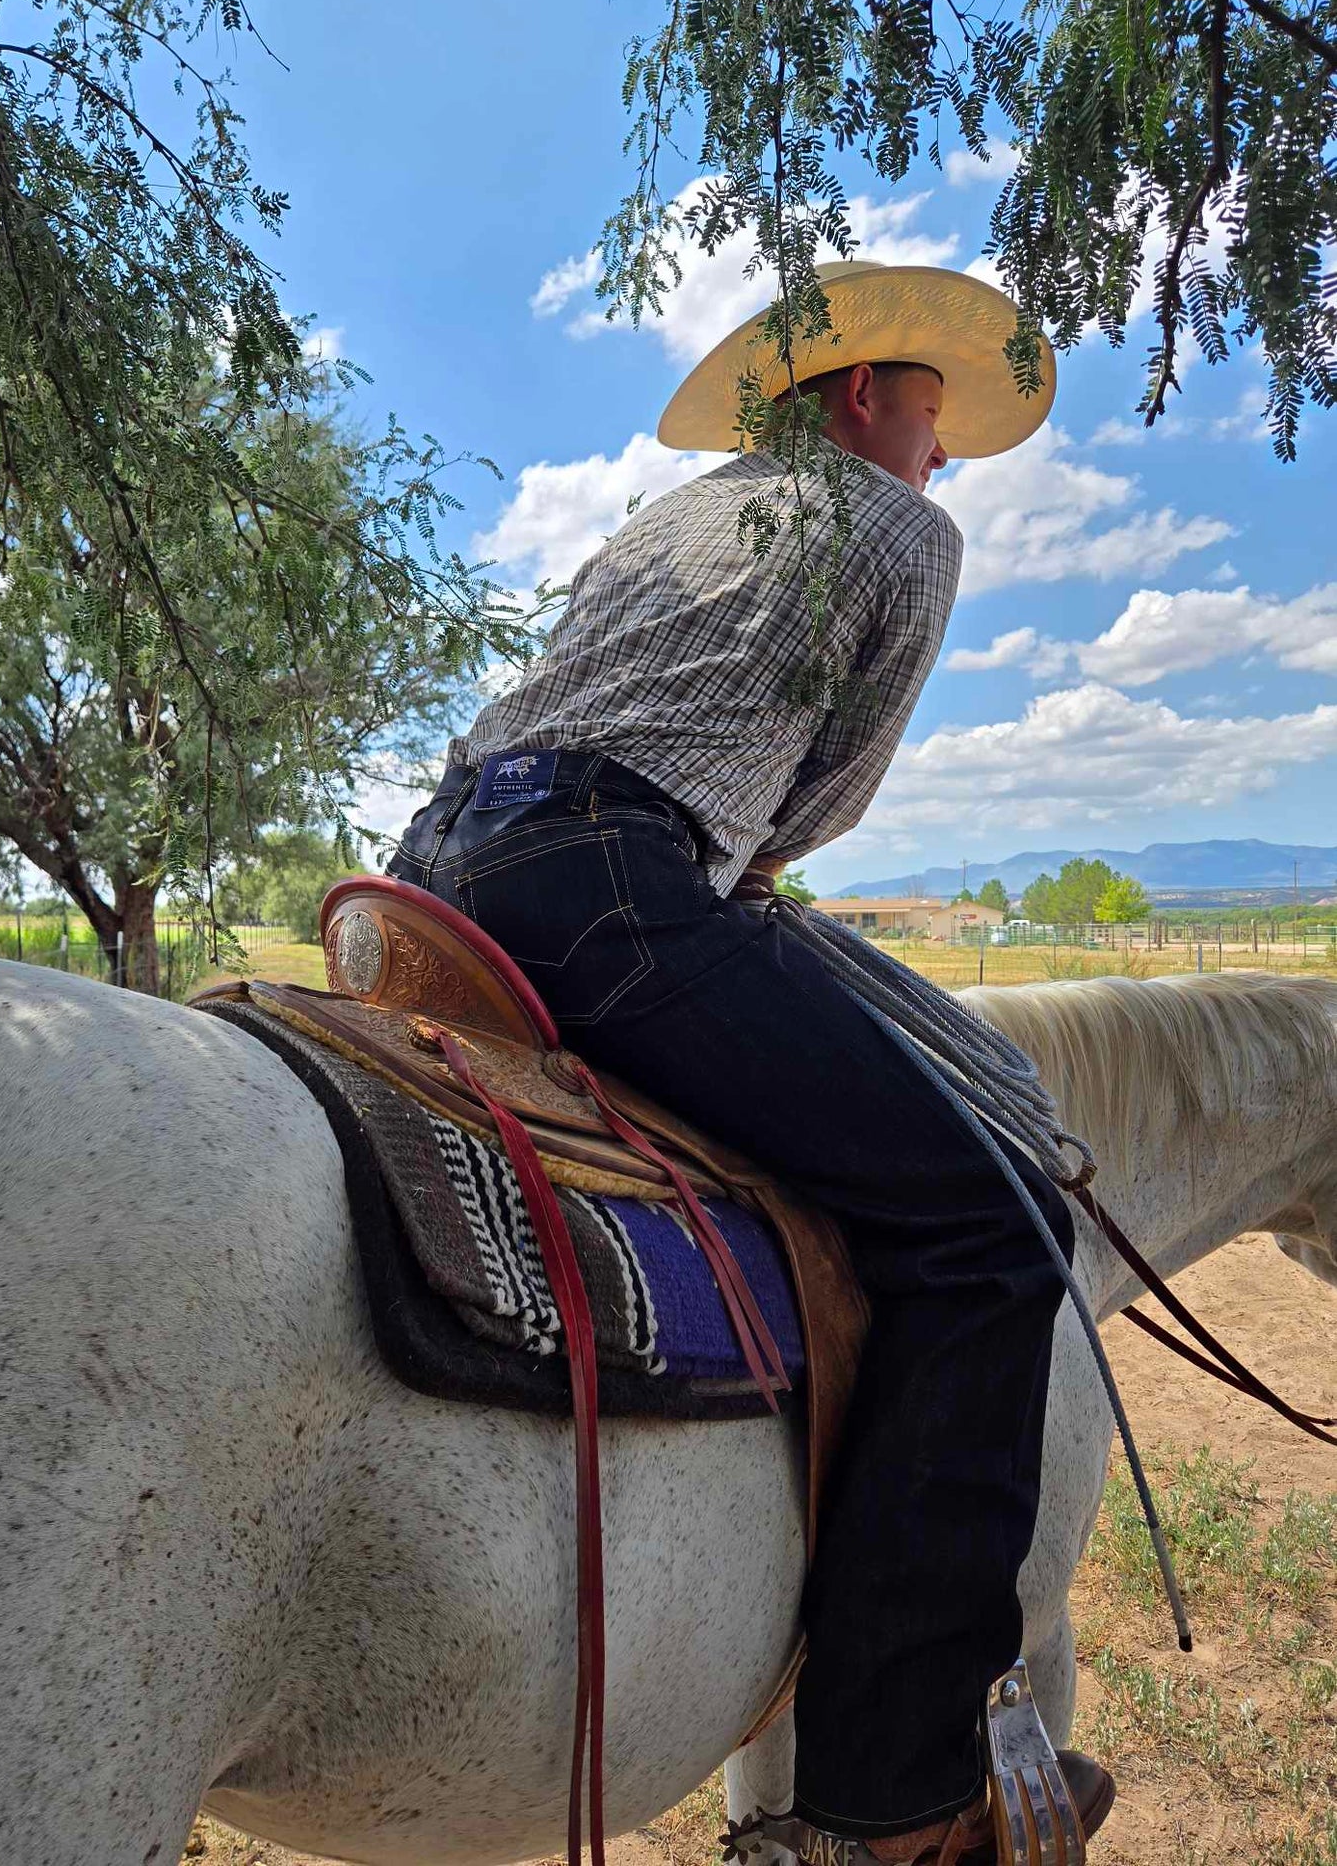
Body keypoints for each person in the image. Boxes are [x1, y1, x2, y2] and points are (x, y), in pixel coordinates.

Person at [387, 260, 1114, 1865]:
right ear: (863, 394)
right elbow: (817, 804)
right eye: (934, 422)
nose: (944, 460)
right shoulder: (895, 530)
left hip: (436, 862)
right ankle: (889, 1799)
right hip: (611, 880)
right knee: (988, 1233)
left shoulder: (662, 521)